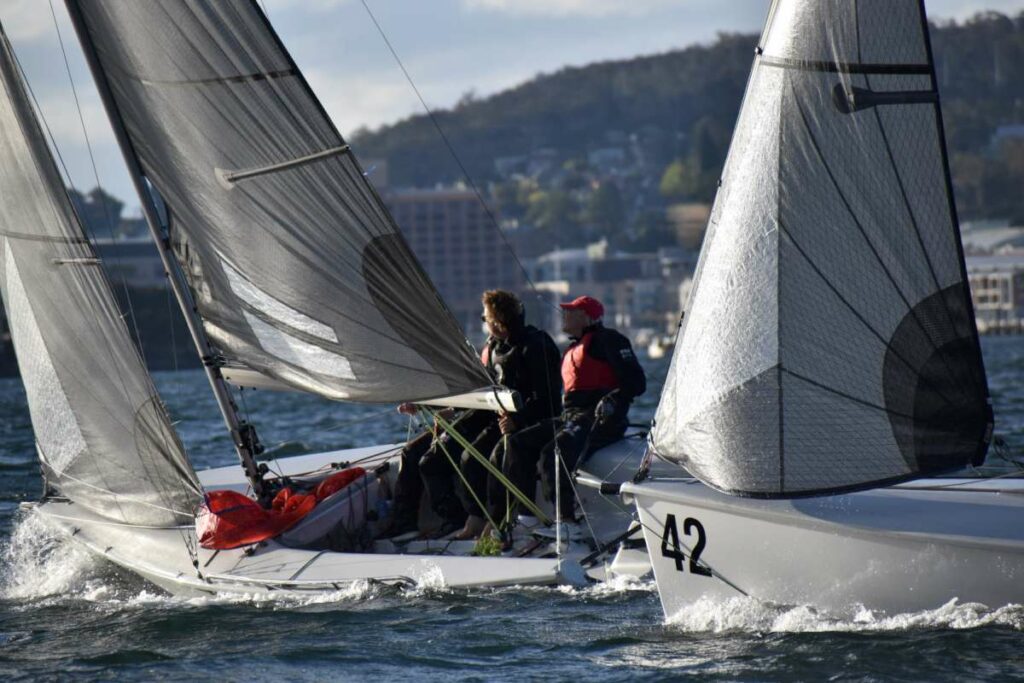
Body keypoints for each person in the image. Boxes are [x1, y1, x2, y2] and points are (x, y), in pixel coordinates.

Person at [378, 290, 559, 540]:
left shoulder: (534, 345)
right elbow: (475, 392)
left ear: (498, 321)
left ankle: (473, 520)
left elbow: (547, 398)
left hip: (516, 421)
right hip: (483, 415)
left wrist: (518, 419)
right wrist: (428, 405)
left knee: (465, 459)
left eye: (485, 319)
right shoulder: (492, 348)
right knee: (415, 453)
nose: (483, 323)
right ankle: (407, 522)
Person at [503, 295, 645, 526]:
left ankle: (566, 522)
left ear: (586, 317)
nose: (564, 315)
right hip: (571, 418)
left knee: (556, 451)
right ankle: (526, 517)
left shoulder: (609, 340)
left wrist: (613, 401)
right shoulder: (573, 347)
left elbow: (636, 384)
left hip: (600, 419)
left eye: (571, 311)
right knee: (519, 442)